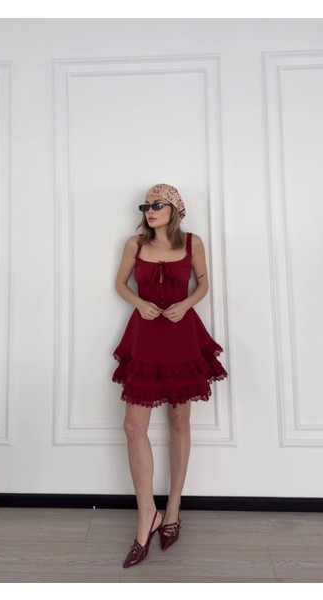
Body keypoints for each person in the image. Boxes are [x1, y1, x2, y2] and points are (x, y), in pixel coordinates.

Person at [112, 183, 228, 568]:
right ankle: (148, 513)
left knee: (179, 420)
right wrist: (139, 303)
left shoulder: (193, 242)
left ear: (175, 208)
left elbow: (204, 281)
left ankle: (174, 507)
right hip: (145, 336)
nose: (149, 210)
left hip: (182, 334)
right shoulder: (135, 244)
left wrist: (187, 303)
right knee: (134, 426)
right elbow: (120, 284)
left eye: (157, 204)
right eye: (146, 205)